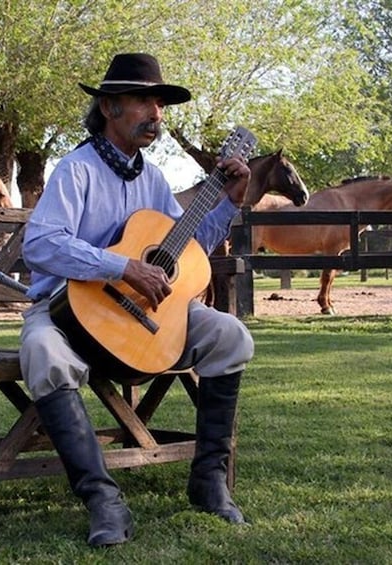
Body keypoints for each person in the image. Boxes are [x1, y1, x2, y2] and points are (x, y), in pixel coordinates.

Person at [20, 52, 255, 547]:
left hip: (143, 322)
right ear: (108, 107)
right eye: (144, 101)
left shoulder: (152, 179)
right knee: (42, 352)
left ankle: (209, 481)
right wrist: (122, 265)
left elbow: (183, 251)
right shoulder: (76, 170)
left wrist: (229, 203)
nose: (156, 113)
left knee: (230, 335)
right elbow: (39, 244)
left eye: (160, 103)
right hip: (68, 314)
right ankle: (102, 498)